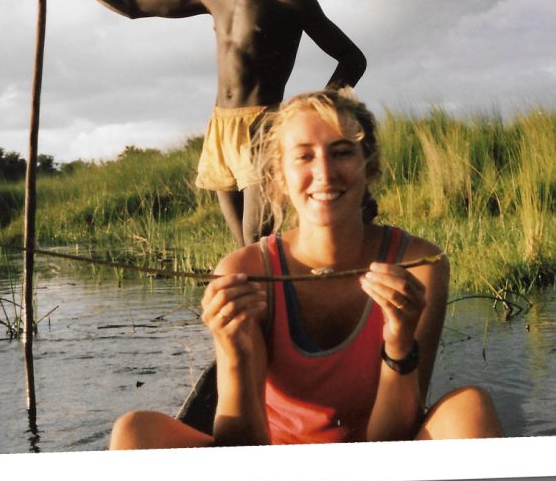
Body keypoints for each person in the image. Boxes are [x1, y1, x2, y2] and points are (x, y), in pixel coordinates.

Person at [109, 89, 503, 448]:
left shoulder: (417, 265)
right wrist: (234, 351)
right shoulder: (245, 270)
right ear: (280, 176)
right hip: (270, 462)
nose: (325, 173)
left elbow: (392, 440)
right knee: (134, 433)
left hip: (377, 460)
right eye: (304, 156)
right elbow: (239, 450)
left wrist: (399, 342)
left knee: (470, 408)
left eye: (342, 151)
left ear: (370, 167)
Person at [35, 0, 366, 247]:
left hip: (265, 127)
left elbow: (353, 59)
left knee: (259, 238)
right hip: (221, 127)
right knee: (244, 247)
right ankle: (263, 299)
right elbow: (132, 6)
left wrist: (310, 113)